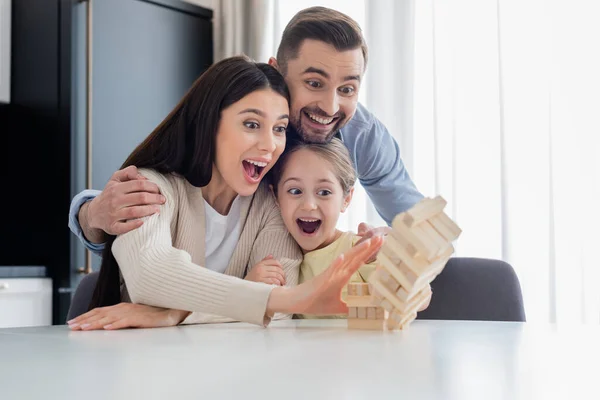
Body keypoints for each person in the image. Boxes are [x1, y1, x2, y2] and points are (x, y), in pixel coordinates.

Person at [68, 6, 423, 255]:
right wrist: (92, 214)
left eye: (347, 89)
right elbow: (150, 196)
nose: (330, 107)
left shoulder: (364, 136)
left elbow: (422, 227)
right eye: (314, 82)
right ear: (276, 70)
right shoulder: (233, 114)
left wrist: (395, 242)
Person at [67, 56, 383, 331]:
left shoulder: (271, 204)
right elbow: (150, 276)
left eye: (279, 128)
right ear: (210, 123)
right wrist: (257, 295)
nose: (269, 145)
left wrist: (175, 314)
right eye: (251, 124)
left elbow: (280, 315)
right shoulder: (153, 188)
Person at [268, 138, 431, 319]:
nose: (308, 205)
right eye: (295, 191)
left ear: (346, 199)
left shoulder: (360, 250)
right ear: (276, 197)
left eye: (324, 192)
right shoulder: (280, 259)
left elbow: (419, 298)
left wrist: (396, 258)